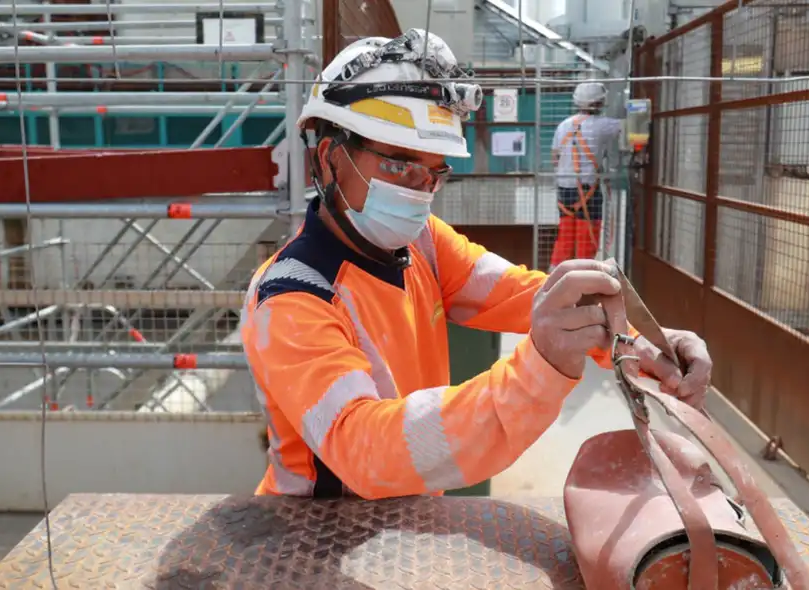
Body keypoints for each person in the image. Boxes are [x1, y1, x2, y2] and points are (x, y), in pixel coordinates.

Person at [240, 29, 712, 501]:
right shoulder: (292, 299)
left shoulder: (422, 244)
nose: (417, 191)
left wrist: (648, 345)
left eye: (433, 172)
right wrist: (536, 372)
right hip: (315, 542)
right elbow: (366, 452)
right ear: (329, 157)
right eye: (400, 164)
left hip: (402, 521)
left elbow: (520, 294)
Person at [549, 82, 623, 269]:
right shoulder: (604, 125)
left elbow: (555, 157)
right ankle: (584, 277)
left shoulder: (563, 125)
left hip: (564, 189)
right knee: (586, 238)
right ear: (599, 103)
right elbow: (630, 126)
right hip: (588, 189)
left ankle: (553, 279)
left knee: (565, 237)